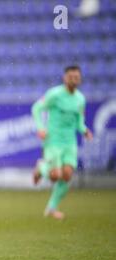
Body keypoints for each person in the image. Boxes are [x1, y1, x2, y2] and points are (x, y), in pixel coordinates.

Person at [32, 65, 93, 220]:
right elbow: (37, 108)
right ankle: (41, 167)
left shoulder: (80, 99)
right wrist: (40, 127)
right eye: (71, 77)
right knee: (55, 176)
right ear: (65, 78)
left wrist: (84, 130)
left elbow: (79, 121)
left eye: (77, 77)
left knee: (66, 176)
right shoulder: (55, 94)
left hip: (70, 143)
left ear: (80, 79)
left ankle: (51, 208)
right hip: (53, 141)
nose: (74, 80)